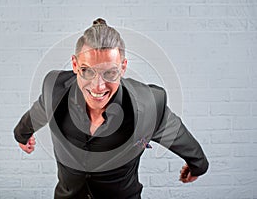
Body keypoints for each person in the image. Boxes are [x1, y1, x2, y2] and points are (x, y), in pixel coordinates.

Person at [14, 18, 208, 199]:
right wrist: (22, 135)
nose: (98, 86)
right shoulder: (54, 88)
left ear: (123, 68)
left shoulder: (148, 104)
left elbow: (183, 140)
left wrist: (197, 166)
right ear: (74, 65)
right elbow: (38, 113)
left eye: (110, 73)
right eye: (87, 71)